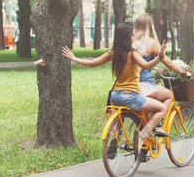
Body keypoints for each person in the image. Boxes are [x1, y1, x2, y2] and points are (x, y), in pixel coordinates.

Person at [62, 22, 168, 152]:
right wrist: (160, 57)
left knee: (125, 112)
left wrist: (74, 58)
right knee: (162, 108)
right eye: (133, 34)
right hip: (131, 96)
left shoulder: (112, 53)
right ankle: (142, 136)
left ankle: (116, 135)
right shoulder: (133, 54)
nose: (135, 37)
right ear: (128, 37)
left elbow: (91, 64)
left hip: (115, 96)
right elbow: (147, 66)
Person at [132, 14, 190, 114]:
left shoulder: (130, 42)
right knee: (169, 95)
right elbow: (168, 63)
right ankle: (157, 122)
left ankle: (146, 128)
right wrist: (184, 73)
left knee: (143, 116)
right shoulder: (151, 43)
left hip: (131, 85)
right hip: (145, 85)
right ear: (150, 26)